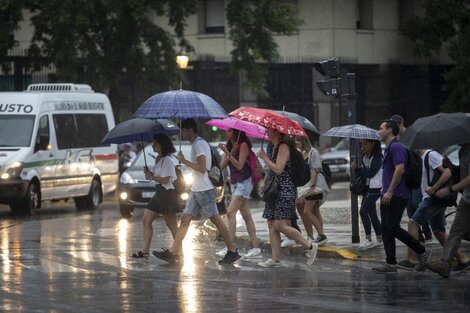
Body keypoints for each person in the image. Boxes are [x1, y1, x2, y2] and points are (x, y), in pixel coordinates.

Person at [153, 119, 241, 264]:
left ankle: (232, 250)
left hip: (204, 189)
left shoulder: (199, 144)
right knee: (186, 219)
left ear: (190, 130)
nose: (181, 133)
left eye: (183, 130)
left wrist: (184, 160)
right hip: (196, 189)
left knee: (216, 219)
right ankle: (173, 252)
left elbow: (202, 168)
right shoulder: (197, 144)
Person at [256, 128, 318, 267]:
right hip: (275, 190)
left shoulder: (283, 147)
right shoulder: (275, 147)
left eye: (269, 130)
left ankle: (309, 246)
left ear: (277, 132)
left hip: (284, 190)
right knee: (271, 224)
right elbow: (273, 170)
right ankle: (275, 259)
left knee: (281, 225)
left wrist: (264, 157)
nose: (267, 131)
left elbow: (278, 169)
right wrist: (264, 176)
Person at [398, 148, 467, 270]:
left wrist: (434, 188)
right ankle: (462, 258)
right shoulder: (422, 157)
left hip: (433, 198)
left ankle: (412, 259)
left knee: (412, 223)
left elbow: (447, 172)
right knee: (438, 231)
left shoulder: (431, 155)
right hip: (433, 198)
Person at [372, 119, 427, 273]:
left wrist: (389, 191)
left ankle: (420, 250)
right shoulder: (389, 148)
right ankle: (390, 263)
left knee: (392, 227)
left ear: (389, 130)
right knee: (386, 229)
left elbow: (400, 169)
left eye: (381, 128)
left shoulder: (396, 147)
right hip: (388, 193)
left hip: (397, 194)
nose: (379, 131)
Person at [130, 134, 181, 259]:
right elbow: (157, 178)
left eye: (155, 144)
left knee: (172, 225)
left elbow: (165, 179)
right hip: (159, 193)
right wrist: (149, 174)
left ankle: (179, 252)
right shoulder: (158, 159)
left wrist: (153, 177)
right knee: (146, 220)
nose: (152, 145)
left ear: (162, 145)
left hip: (167, 194)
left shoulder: (168, 160)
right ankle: (145, 251)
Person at [426, 143, 470, 277]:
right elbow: (463, 175)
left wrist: (450, 189)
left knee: (459, 231)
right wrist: (451, 166)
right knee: (456, 230)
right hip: (467, 199)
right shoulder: (463, 151)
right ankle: (445, 263)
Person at [216, 128, 261, 259]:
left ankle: (230, 247)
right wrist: (229, 152)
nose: (226, 132)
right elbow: (221, 167)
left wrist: (228, 154)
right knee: (247, 216)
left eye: (229, 131)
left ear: (236, 132)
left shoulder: (244, 145)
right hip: (235, 182)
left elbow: (240, 166)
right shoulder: (230, 146)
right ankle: (256, 248)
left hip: (244, 182)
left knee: (230, 213)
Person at [391, 114, 433, 242]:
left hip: (416, 174)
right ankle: (418, 234)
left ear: (402, 123)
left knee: (415, 203)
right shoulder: (397, 139)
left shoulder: (412, 134)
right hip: (405, 175)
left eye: (397, 125)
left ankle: (425, 229)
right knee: (410, 205)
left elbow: (419, 152)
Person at [295, 136, 330, 246]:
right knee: (314, 210)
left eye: (298, 143)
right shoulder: (304, 153)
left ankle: (322, 236)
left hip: (315, 186)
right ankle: (321, 235)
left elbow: (315, 170)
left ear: (303, 141)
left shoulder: (313, 152)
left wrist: (312, 186)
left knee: (307, 211)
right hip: (310, 186)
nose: (297, 146)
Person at [351, 139, 383, 249]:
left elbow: (370, 173)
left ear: (373, 144)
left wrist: (358, 168)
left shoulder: (378, 157)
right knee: (372, 213)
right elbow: (364, 175)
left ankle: (368, 239)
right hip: (367, 188)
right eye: (361, 144)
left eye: (365, 144)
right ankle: (379, 237)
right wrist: (356, 169)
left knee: (363, 211)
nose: (362, 147)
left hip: (376, 188)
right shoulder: (365, 158)